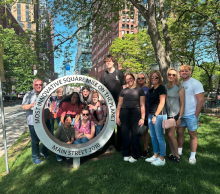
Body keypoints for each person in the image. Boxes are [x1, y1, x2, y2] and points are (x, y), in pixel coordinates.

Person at [177, 64, 204, 164]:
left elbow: (201, 100)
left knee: (192, 134)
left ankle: (192, 156)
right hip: (181, 114)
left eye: (186, 71)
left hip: (191, 114)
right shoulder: (179, 83)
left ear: (190, 72)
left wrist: (196, 115)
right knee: (179, 132)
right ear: (180, 73)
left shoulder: (196, 83)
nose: (184, 72)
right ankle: (179, 150)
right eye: (182, 71)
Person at [116, 73, 145, 163]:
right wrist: (117, 117)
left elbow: (142, 105)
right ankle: (126, 153)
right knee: (125, 134)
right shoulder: (123, 91)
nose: (129, 80)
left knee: (135, 134)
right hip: (124, 113)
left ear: (133, 79)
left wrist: (142, 118)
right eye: (127, 79)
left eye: (130, 78)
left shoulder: (140, 90)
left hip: (136, 112)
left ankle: (136, 155)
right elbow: (119, 105)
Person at [100, 55, 125, 152]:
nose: (108, 63)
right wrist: (104, 104)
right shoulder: (103, 75)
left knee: (119, 123)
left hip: (120, 102)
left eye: (109, 61)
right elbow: (101, 90)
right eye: (106, 61)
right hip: (109, 104)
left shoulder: (119, 73)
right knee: (110, 124)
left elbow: (125, 87)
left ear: (113, 62)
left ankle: (120, 144)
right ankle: (111, 144)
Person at [22, 79, 49, 165]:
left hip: (44, 121)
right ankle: (35, 158)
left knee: (46, 138)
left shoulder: (44, 94)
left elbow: (48, 106)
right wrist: (31, 105)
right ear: (33, 85)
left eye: (40, 84)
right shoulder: (28, 95)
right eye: (36, 84)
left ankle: (44, 152)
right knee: (35, 141)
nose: (38, 86)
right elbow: (24, 107)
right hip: (33, 122)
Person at [145, 70, 167, 166]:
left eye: (156, 77)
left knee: (159, 137)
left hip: (158, 115)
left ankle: (162, 158)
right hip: (151, 115)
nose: (154, 79)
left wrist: (155, 116)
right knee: (153, 137)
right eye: (152, 77)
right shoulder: (151, 89)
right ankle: (155, 155)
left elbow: (162, 103)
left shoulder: (162, 88)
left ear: (159, 78)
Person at [164, 68, 184, 162]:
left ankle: (177, 156)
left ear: (176, 76)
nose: (171, 76)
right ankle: (172, 154)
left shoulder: (180, 87)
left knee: (171, 134)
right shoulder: (164, 87)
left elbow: (182, 103)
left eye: (173, 75)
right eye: (169, 74)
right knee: (168, 134)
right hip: (166, 114)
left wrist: (179, 117)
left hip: (175, 114)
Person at [136, 72, 150, 158]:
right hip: (136, 113)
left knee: (145, 131)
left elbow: (150, 102)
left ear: (145, 79)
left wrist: (149, 114)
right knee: (137, 132)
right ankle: (138, 148)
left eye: (142, 78)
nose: (141, 80)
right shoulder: (134, 89)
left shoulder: (148, 89)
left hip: (146, 113)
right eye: (139, 78)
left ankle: (145, 149)